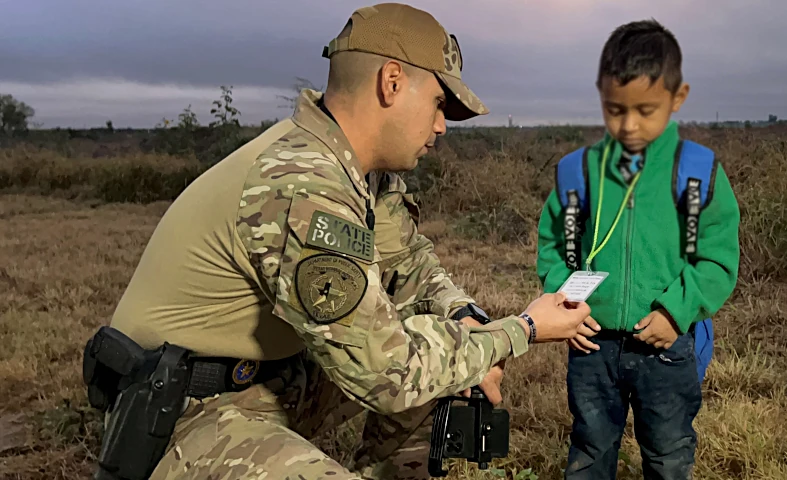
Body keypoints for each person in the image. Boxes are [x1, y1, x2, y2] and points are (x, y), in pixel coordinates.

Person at [99, 3, 592, 479]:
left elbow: (410, 264)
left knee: (445, 362)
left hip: (270, 381)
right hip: (185, 413)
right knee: (429, 366)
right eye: (440, 103)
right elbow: (385, 370)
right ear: (392, 82)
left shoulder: (356, 171)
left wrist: (465, 317)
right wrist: (520, 329)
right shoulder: (304, 182)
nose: (441, 126)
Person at [536, 19, 741, 480]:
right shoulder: (578, 172)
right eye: (614, 109)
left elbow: (717, 258)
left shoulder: (697, 173)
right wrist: (565, 299)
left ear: (677, 97)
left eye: (645, 110)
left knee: (669, 456)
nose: (628, 125)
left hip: (666, 346)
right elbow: (553, 245)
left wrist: (676, 312)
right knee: (590, 449)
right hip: (591, 345)